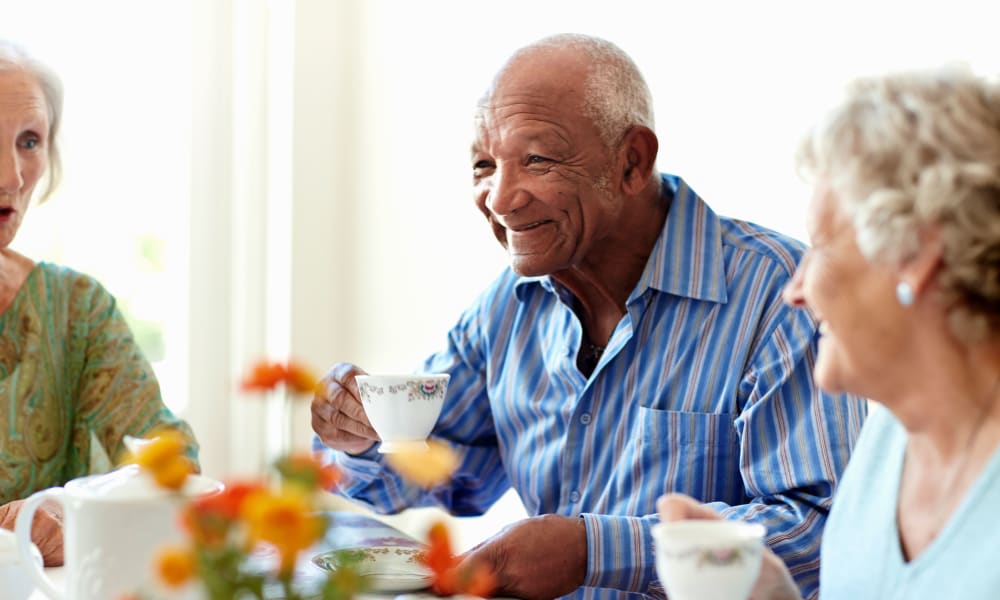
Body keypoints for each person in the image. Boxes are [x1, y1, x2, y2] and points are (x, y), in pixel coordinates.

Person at [311, 33, 867, 600]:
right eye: (484, 164)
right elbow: (441, 472)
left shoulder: (779, 293)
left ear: (632, 162)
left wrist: (593, 552)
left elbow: (823, 532)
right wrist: (357, 438)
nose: (499, 198)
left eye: (537, 159)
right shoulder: (509, 307)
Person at [659, 66, 1000, 599]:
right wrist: (768, 591)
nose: (795, 290)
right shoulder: (889, 435)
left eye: (819, 246)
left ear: (916, 255)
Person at [0, 40, 199, 566]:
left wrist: (74, 506)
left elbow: (174, 461)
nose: (11, 177)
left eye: (28, 141)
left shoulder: (77, 309)